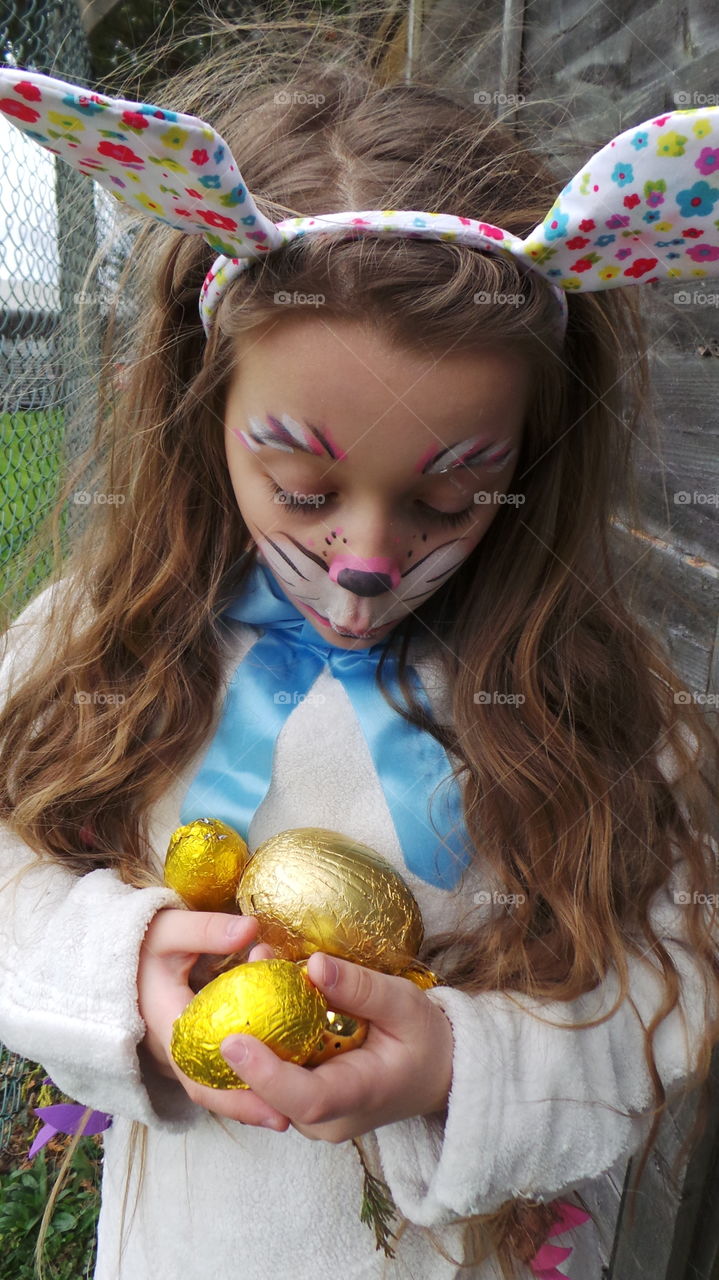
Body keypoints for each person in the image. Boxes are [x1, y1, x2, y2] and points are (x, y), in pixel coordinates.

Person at [0, 12, 717, 1280]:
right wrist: (121, 962)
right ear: (198, 410)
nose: (368, 557)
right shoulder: (102, 648)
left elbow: (665, 995)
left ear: (534, 459)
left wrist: (458, 1066)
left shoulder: (598, 709)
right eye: (301, 486)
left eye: (450, 499)